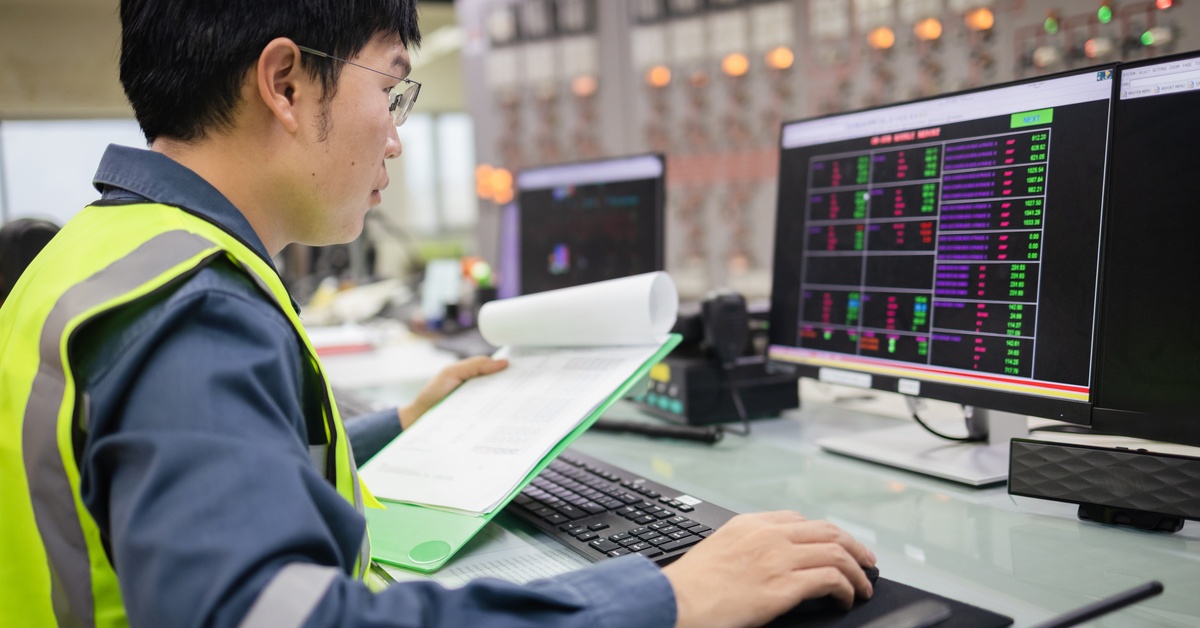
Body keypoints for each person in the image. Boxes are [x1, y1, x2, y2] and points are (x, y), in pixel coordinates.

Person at [0, 1, 876, 626]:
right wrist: (673, 596)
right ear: (285, 83)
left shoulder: (102, 255)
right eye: (392, 90)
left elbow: (184, 455)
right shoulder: (192, 307)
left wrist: (399, 424)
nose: (395, 135)